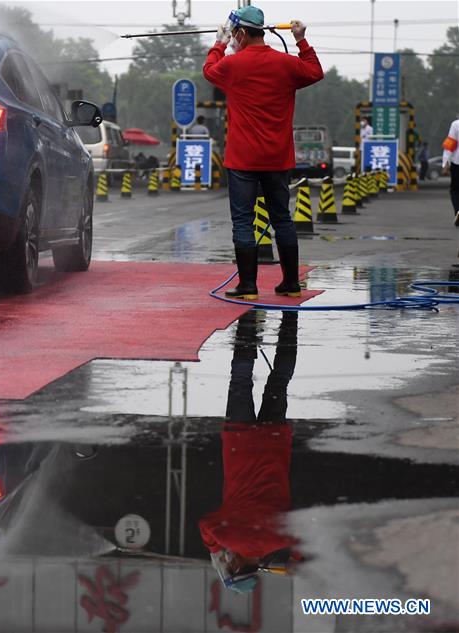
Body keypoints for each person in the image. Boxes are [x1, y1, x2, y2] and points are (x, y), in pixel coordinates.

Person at [203, 5, 323, 299]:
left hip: (242, 158)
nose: (233, 38)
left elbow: (208, 71)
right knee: (282, 217)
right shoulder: (286, 64)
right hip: (277, 157)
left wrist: (219, 44)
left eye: (234, 34)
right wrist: (300, 39)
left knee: (243, 220)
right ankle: (291, 284)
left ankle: (248, 287)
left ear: (241, 33)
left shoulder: (232, 65)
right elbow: (315, 71)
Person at [200, 311, 302, 593]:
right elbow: (205, 525)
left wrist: (291, 560)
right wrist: (216, 549)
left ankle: (291, 319)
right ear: (234, 567)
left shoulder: (281, 538)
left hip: (274, 444)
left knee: (279, 381)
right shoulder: (227, 536)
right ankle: (248, 318)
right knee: (240, 379)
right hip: (239, 444)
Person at [442, 115, 459, 226]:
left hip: (457, 163)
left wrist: (445, 163)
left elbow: (450, 145)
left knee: (455, 190)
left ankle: (458, 211)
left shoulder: (456, 124)